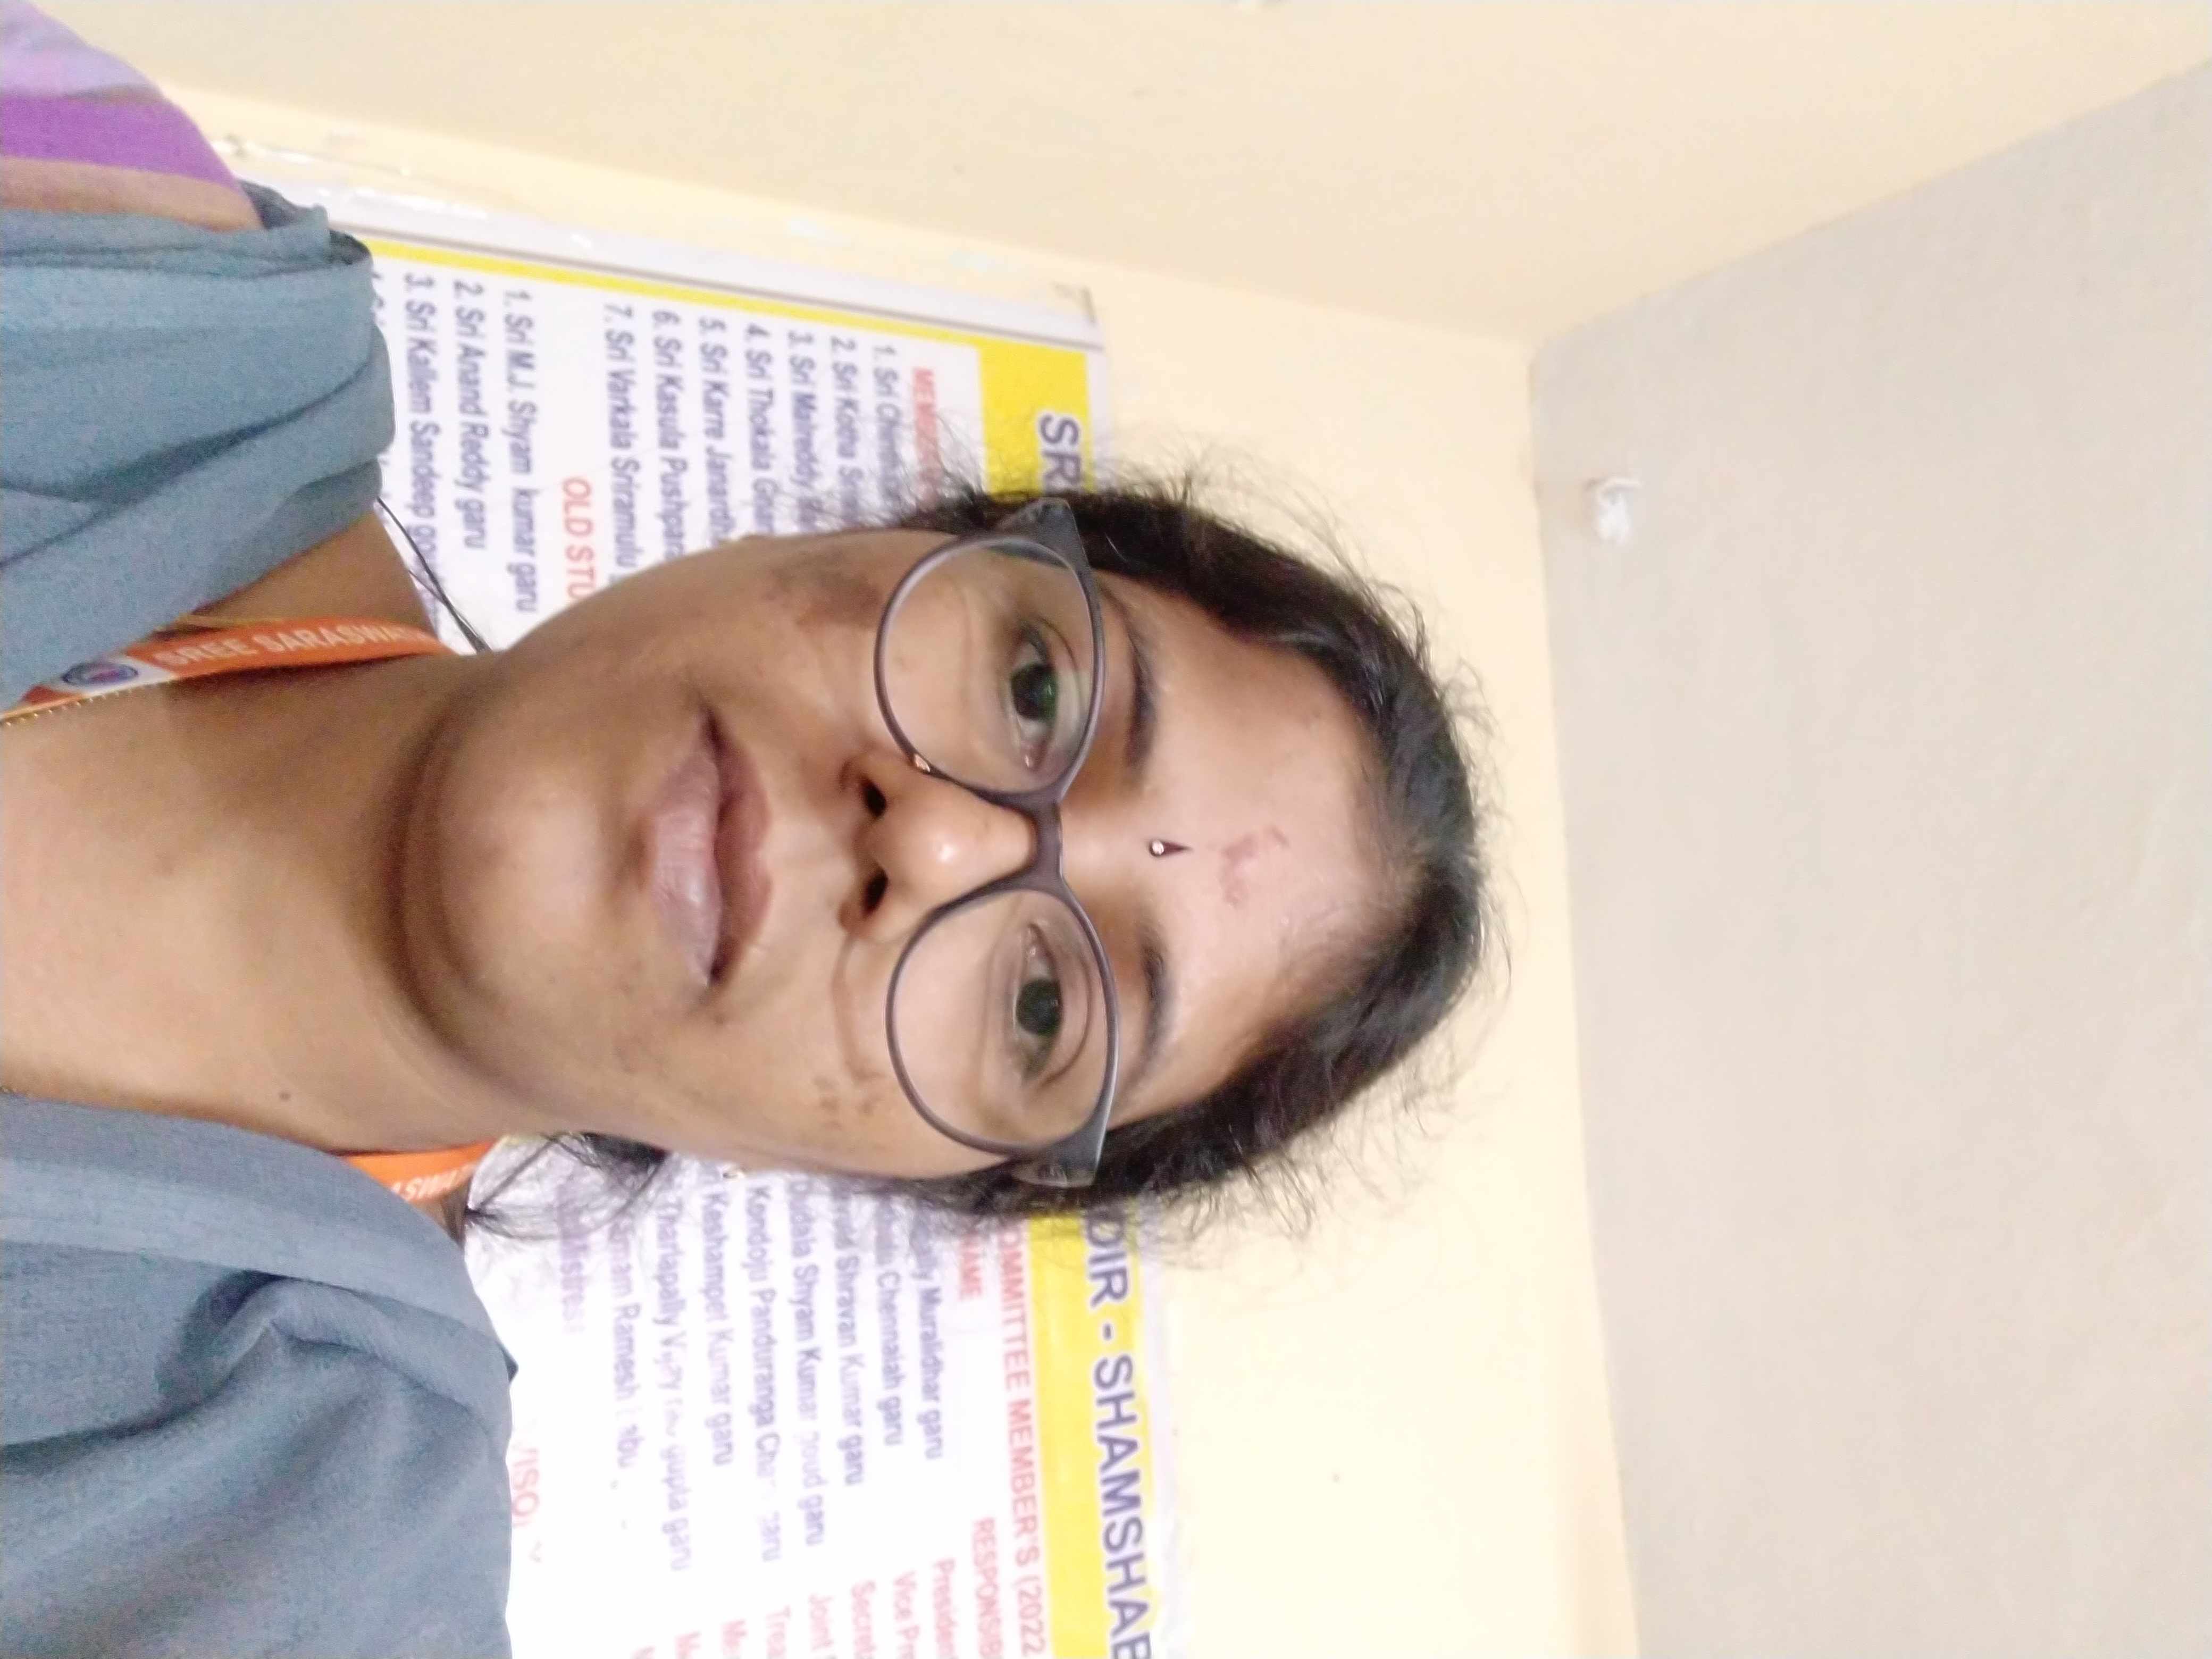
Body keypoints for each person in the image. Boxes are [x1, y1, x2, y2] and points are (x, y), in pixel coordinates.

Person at [0, 8, 1488, 1655]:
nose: (936, 849)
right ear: (889, 539)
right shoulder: (101, 235)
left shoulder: (303, 1572)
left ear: (898, 1170)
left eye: (1040, 1006)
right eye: (1035, 687)